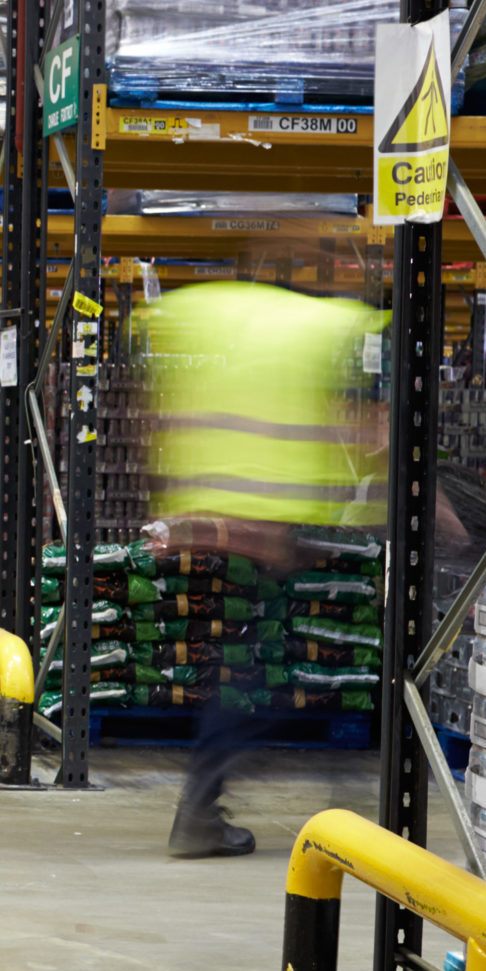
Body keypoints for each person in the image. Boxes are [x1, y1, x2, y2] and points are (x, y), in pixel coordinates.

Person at [146, 279, 383, 859]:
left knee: (238, 666)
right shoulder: (316, 324)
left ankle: (203, 804)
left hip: (206, 515)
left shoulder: (207, 311)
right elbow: (353, 418)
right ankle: (199, 810)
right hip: (264, 522)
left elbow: (163, 409)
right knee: (256, 677)